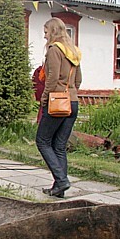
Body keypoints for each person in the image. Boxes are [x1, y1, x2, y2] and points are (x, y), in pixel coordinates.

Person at [36, 18, 82, 198]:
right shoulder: (73, 51)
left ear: (53, 31)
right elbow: (78, 80)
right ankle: (59, 188)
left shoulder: (55, 50)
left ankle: (62, 180)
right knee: (59, 146)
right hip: (73, 101)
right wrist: (71, 92)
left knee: (42, 140)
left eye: (46, 31)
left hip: (57, 101)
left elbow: (52, 78)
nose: (44, 35)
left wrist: (44, 98)